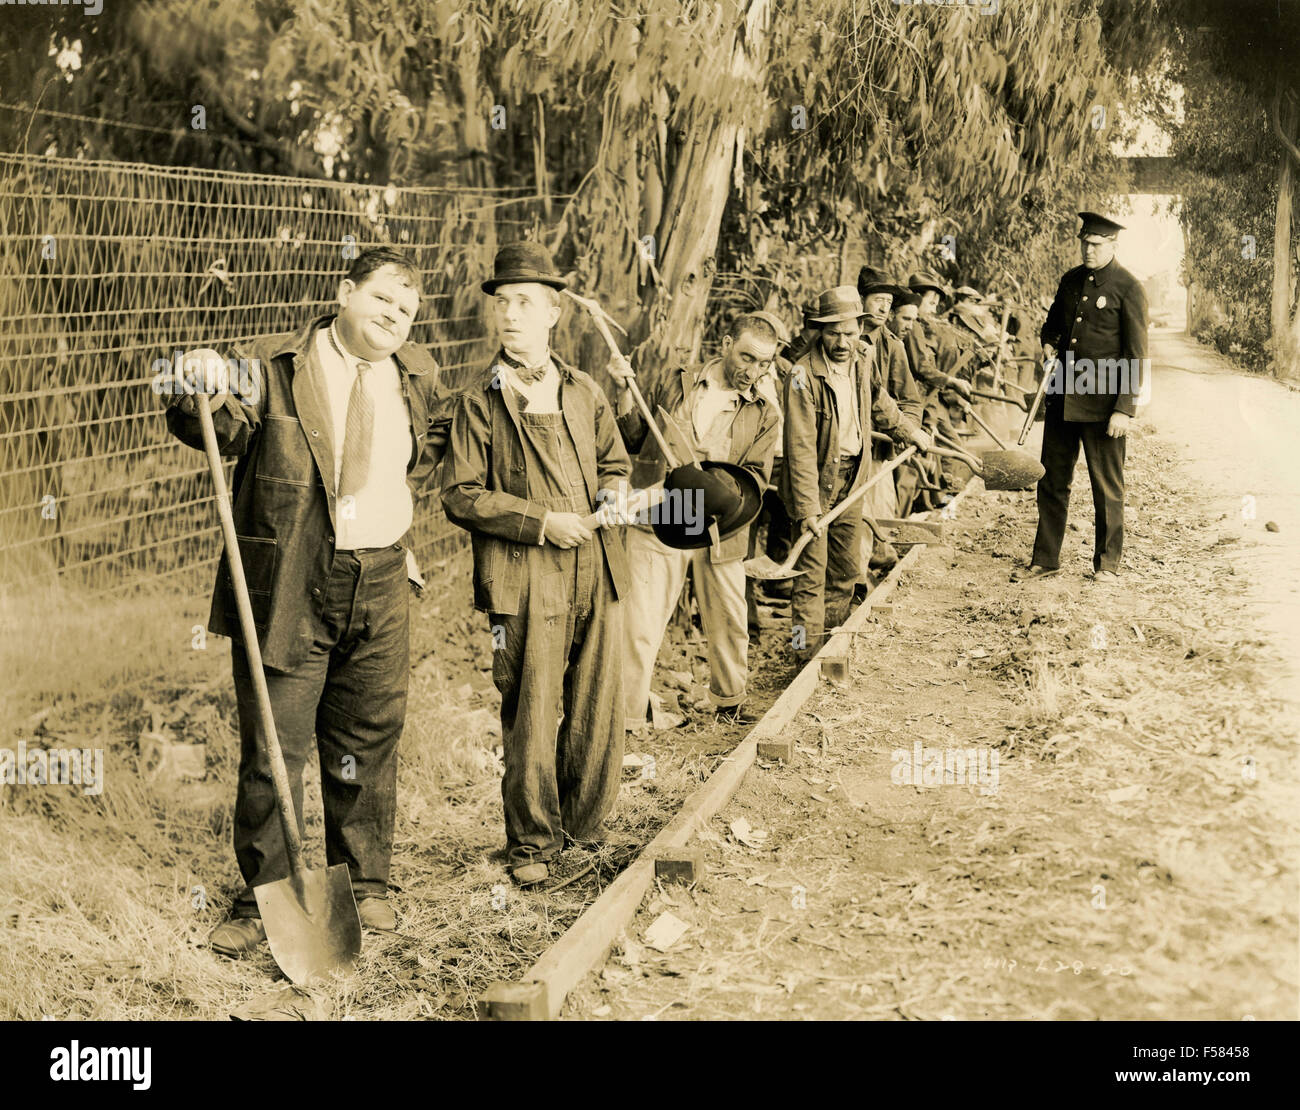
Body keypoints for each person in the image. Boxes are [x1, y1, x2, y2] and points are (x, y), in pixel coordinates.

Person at [164, 246, 446, 954]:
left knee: (368, 739)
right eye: (383, 299)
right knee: (275, 745)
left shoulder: (417, 378)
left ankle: (364, 883)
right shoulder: (271, 372)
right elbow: (214, 426)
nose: (393, 318)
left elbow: (421, 463)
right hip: (289, 580)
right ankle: (269, 899)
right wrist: (194, 381)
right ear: (345, 292)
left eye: (407, 311)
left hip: (380, 579)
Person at [441, 242, 632, 886]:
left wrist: (611, 493)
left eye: (525, 303)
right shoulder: (479, 402)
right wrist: (543, 522)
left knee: (597, 703)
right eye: (502, 303)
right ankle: (532, 843)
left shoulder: (585, 391)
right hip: (524, 581)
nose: (509, 315)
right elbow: (461, 495)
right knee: (530, 708)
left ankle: (586, 828)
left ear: (554, 313)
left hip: (598, 570)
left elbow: (615, 461)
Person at [610, 313, 779, 728]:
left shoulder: (764, 414)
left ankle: (729, 703)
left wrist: (712, 490)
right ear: (724, 343)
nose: (752, 371)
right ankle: (627, 719)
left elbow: (756, 479)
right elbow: (631, 438)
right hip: (660, 517)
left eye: (764, 364)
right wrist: (623, 393)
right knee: (640, 624)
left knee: (729, 619)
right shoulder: (675, 380)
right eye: (746, 357)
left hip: (721, 525)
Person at [781, 286, 931, 664]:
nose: (843, 342)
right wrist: (806, 509)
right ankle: (803, 658)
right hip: (815, 483)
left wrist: (909, 431)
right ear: (820, 332)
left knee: (846, 570)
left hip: (852, 478)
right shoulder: (802, 375)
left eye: (849, 332)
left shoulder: (864, 357)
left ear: (859, 329)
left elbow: (879, 400)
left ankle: (829, 650)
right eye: (833, 333)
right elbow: (799, 447)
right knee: (809, 577)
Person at [1014, 211, 1148, 583]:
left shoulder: (1128, 287)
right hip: (1062, 394)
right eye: (1084, 242)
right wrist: (1047, 344)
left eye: (1096, 244)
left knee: (1106, 485)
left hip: (1104, 402)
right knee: (1052, 479)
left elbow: (1137, 355)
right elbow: (1053, 325)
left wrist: (1124, 409)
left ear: (1112, 245)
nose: (1088, 250)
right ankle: (1045, 559)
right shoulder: (1070, 280)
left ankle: (1107, 565)